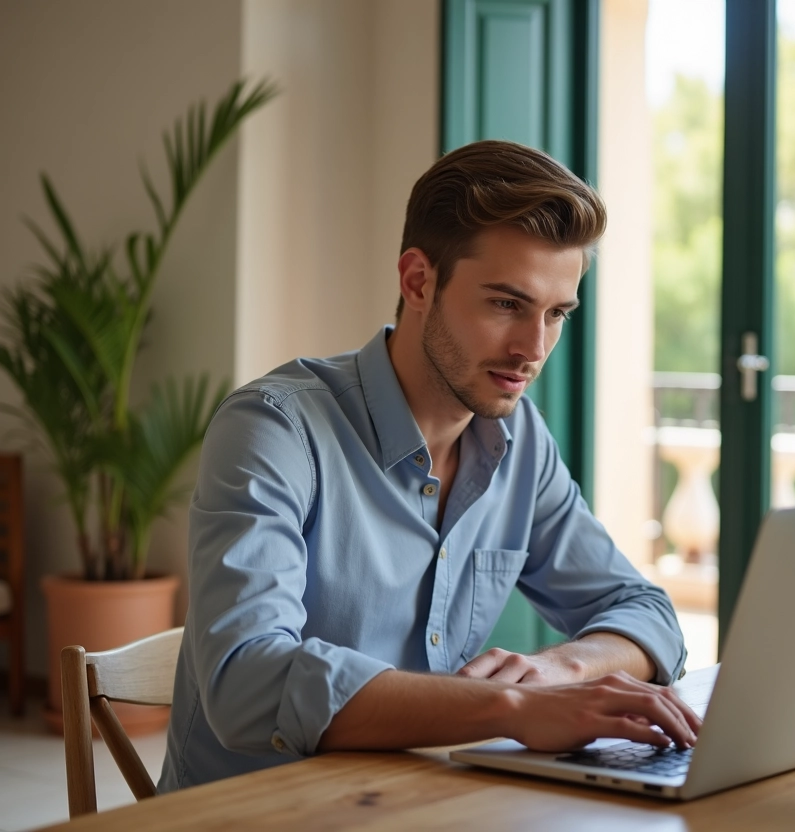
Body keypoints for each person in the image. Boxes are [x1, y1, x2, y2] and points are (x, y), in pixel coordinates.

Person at [158, 139, 700, 791]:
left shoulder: (520, 439)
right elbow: (245, 682)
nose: (533, 349)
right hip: (257, 814)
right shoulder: (274, 430)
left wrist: (562, 673)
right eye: (506, 304)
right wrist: (514, 709)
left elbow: (643, 611)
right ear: (418, 281)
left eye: (556, 314)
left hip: (421, 802)